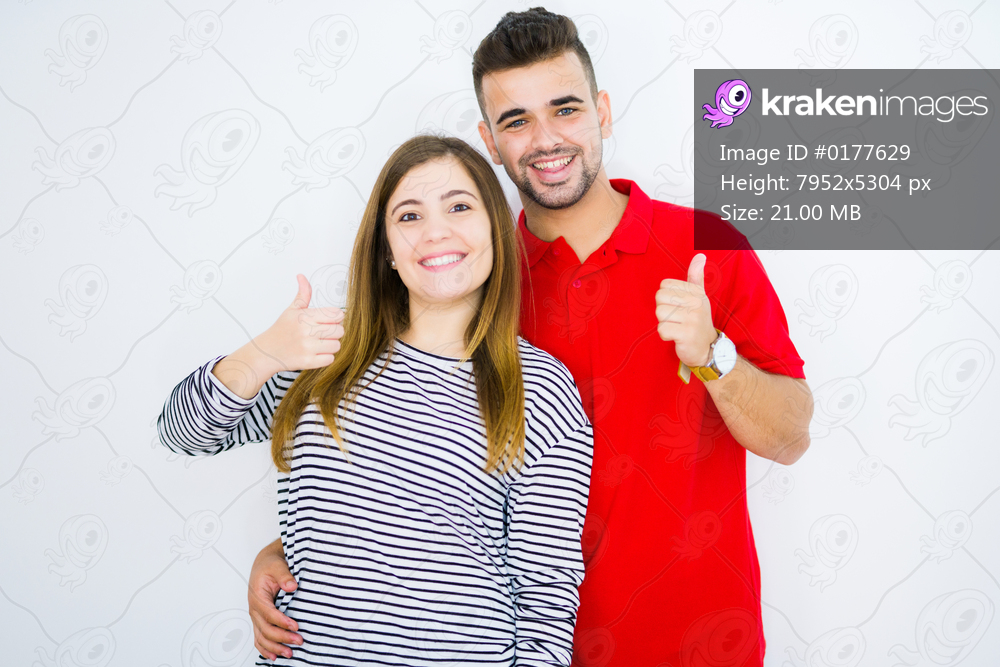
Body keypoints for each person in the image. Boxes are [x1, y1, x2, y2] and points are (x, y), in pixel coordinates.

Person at [246, 7, 815, 667]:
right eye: (516, 121)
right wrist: (292, 548)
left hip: (698, 639)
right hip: (515, 646)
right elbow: (397, 457)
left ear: (602, 111)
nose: (545, 139)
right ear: (490, 140)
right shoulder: (466, 286)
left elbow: (792, 436)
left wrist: (714, 357)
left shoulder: (707, 248)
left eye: (565, 109)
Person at [156, 134, 594, 665]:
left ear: (497, 230)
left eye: (459, 206)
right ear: (386, 249)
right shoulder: (324, 356)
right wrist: (265, 351)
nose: (436, 231)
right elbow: (183, 434)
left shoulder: (540, 388)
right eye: (409, 216)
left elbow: (546, 592)